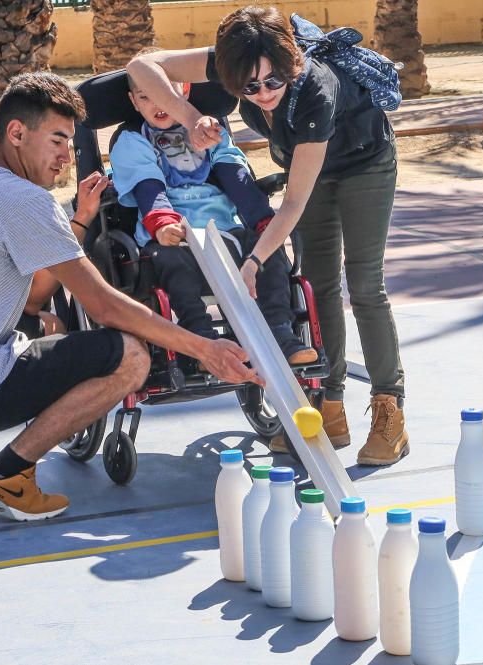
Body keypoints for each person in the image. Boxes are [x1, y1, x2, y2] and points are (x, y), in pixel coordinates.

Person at [0, 72, 260, 522]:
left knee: (43, 322)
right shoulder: (22, 199)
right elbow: (103, 304)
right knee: (130, 357)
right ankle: (7, 476)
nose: (66, 156)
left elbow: (33, 298)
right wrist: (203, 347)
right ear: (16, 133)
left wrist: (83, 220)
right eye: (57, 140)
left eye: (70, 143)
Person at [127, 6, 408, 465]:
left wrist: (254, 261)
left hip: (363, 164)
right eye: (247, 87)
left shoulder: (315, 88)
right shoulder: (237, 60)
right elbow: (141, 67)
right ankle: (328, 405)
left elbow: (293, 203)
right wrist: (189, 114)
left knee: (362, 284)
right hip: (306, 165)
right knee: (319, 284)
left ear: (292, 63)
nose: (260, 94)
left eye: (272, 83)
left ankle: (388, 408)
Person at [109, 71, 316, 365]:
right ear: (133, 101)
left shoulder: (209, 130)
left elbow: (236, 176)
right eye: (145, 96)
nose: (158, 104)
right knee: (169, 259)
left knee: (267, 248)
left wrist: (262, 220)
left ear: (185, 89)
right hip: (175, 235)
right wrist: (162, 223)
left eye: (166, 93)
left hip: (225, 230)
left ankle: (280, 333)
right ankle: (199, 337)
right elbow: (147, 185)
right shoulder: (132, 140)